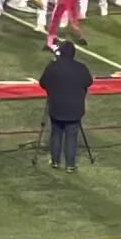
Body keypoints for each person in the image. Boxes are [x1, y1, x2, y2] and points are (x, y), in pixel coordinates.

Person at [39, 41, 93, 172]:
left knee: (56, 133)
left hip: (56, 106)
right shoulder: (81, 67)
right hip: (74, 108)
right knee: (72, 136)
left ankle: (55, 161)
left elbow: (42, 83)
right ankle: (70, 164)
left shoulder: (52, 67)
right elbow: (89, 82)